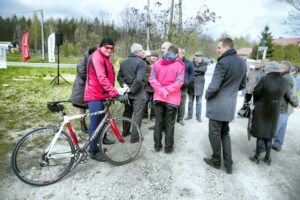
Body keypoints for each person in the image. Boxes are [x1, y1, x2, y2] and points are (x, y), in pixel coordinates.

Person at [203, 37, 247, 174]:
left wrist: (207, 94)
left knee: (214, 133)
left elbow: (214, 86)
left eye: (219, 47)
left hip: (218, 105)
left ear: (226, 47)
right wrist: (230, 92)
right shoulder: (242, 63)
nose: (217, 50)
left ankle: (216, 161)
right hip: (230, 105)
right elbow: (242, 85)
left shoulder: (222, 63)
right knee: (225, 133)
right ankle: (228, 164)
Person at [84, 38, 126, 161]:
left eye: (111, 48)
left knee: (102, 121)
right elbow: (102, 78)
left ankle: (98, 143)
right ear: (101, 47)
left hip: (102, 94)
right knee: (95, 123)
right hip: (94, 95)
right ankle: (93, 151)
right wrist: (114, 93)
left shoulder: (105, 58)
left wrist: (112, 91)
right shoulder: (97, 57)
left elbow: (108, 77)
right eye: (106, 47)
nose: (109, 50)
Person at [249, 61, 298, 165]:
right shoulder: (284, 81)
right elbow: (289, 96)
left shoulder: (265, 79)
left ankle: (257, 157)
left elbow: (256, 93)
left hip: (262, 110)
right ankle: (268, 158)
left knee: (260, 134)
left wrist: (257, 102)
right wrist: (295, 103)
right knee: (269, 135)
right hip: (275, 111)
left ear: (270, 69)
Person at [149, 45, 184, 153]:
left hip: (159, 97)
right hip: (172, 99)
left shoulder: (157, 63)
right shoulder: (179, 65)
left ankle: (157, 146)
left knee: (158, 123)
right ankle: (168, 148)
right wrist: (167, 90)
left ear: (167, 52)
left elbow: (151, 79)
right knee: (170, 124)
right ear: (177, 54)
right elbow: (179, 82)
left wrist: (162, 90)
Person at [117, 43, 147, 143]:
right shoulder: (141, 62)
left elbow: (119, 77)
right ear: (138, 51)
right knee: (137, 115)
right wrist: (131, 89)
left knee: (127, 112)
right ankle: (135, 138)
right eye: (142, 50)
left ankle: (125, 132)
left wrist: (124, 85)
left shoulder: (123, 62)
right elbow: (139, 79)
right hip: (138, 92)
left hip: (127, 92)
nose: (143, 51)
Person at [272, 61, 299, 152]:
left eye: (279, 67)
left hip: (284, 108)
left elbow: (290, 94)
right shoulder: (286, 77)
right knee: (281, 128)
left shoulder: (287, 78)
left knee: (274, 128)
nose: (278, 69)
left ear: (284, 69)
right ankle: (278, 145)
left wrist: (295, 103)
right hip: (286, 108)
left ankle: (264, 148)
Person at [71, 47, 97, 133]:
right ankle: (83, 125)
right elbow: (83, 74)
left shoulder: (93, 60)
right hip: (81, 89)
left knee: (90, 108)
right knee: (82, 107)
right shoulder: (83, 62)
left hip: (89, 88)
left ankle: (91, 126)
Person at [186, 51, 207, 122]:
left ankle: (198, 116)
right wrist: (197, 72)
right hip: (191, 84)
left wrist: (194, 70)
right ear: (194, 56)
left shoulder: (204, 63)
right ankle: (189, 115)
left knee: (199, 102)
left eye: (199, 56)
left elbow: (203, 70)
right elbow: (189, 71)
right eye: (196, 56)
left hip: (200, 84)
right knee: (190, 101)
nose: (197, 57)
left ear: (202, 57)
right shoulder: (191, 63)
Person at [176, 48, 194, 126]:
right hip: (174, 86)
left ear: (183, 54)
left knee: (182, 103)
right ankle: (172, 118)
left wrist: (187, 81)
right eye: (176, 53)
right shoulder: (173, 62)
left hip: (183, 87)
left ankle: (180, 119)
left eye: (179, 53)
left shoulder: (189, 63)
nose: (177, 55)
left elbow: (192, 74)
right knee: (173, 103)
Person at [143, 52, 159, 121]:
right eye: (153, 56)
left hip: (155, 87)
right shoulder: (146, 64)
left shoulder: (159, 64)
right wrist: (149, 80)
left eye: (155, 56)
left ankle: (153, 116)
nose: (154, 57)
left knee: (154, 102)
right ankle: (144, 116)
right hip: (147, 87)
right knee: (145, 100)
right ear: (150, 57)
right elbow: (144, 75)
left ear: (157, 58)